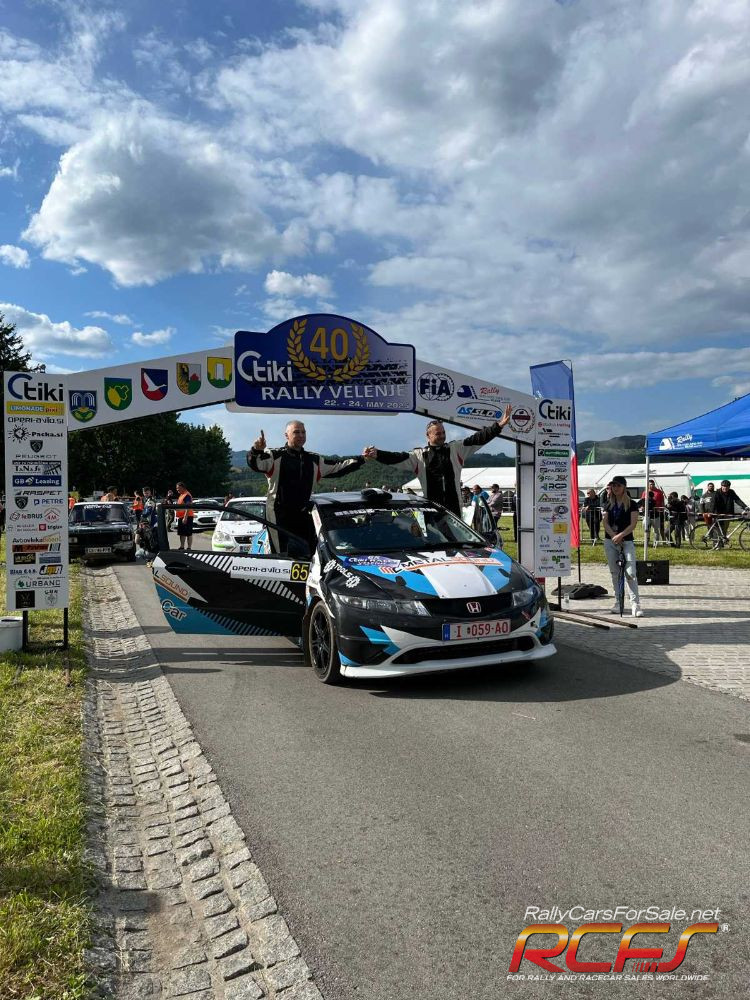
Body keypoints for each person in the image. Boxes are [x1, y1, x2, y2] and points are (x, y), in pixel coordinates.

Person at [363, 405, 512, 517]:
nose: (442, 436)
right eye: (438, 433)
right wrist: (378, 454)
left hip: (454, 511)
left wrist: (498, 426)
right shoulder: (419, 456)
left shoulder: (456, 449)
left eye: (443, 432)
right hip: (431, 511)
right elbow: (397, 457)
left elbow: (478, 438)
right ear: (428, 436)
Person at [248, 422, 364, 554]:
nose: (301, 435)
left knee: (308, 553)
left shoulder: (314, 459)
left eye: (303, 432)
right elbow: (256, 464)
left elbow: (338, 466)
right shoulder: (274, 455)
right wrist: (256, 450)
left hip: (303, 513)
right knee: (281, 554)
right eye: (296, 432)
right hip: (278, 514)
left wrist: (362, 459)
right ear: (286, 435)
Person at [602, 475, 643, 617]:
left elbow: (633, 524)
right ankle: (618, 601)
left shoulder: (632, 504)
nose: (615, 488)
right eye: (613, 485)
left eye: (618, 485)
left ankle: (635, 604)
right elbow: (605, 522)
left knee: (630, 573)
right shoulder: (608, 503)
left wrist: (621, 535)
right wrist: (613, 535)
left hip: (626, 541)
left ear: (624, 487)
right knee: (615, 573)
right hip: (610, 541)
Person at [712, 480, 750, 545]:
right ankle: (716, 544)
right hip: (719, 514)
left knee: (724, 529)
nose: (725, 488)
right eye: (724, 486)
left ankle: (722, 543)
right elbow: (713, 504)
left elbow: (737, 500)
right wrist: (714, 513)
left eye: (727, 486)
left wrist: (745, 507)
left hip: (728, 514)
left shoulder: (731, 492)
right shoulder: (717, 493)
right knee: (718, 529)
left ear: (729, 487)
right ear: (721, 486)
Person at [174, 481, 194, 551]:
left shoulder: (186, 495)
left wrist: (185, 517)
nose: (177, 489)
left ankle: (189, 548)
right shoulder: (181, 495)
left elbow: (188, 506)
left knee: (188, 533)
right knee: (182, 533)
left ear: (182, 487)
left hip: (187, 516)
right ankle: (182, 546)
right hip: (181, 516)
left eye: (178, 488)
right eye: (176, 488)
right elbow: (181, 506)